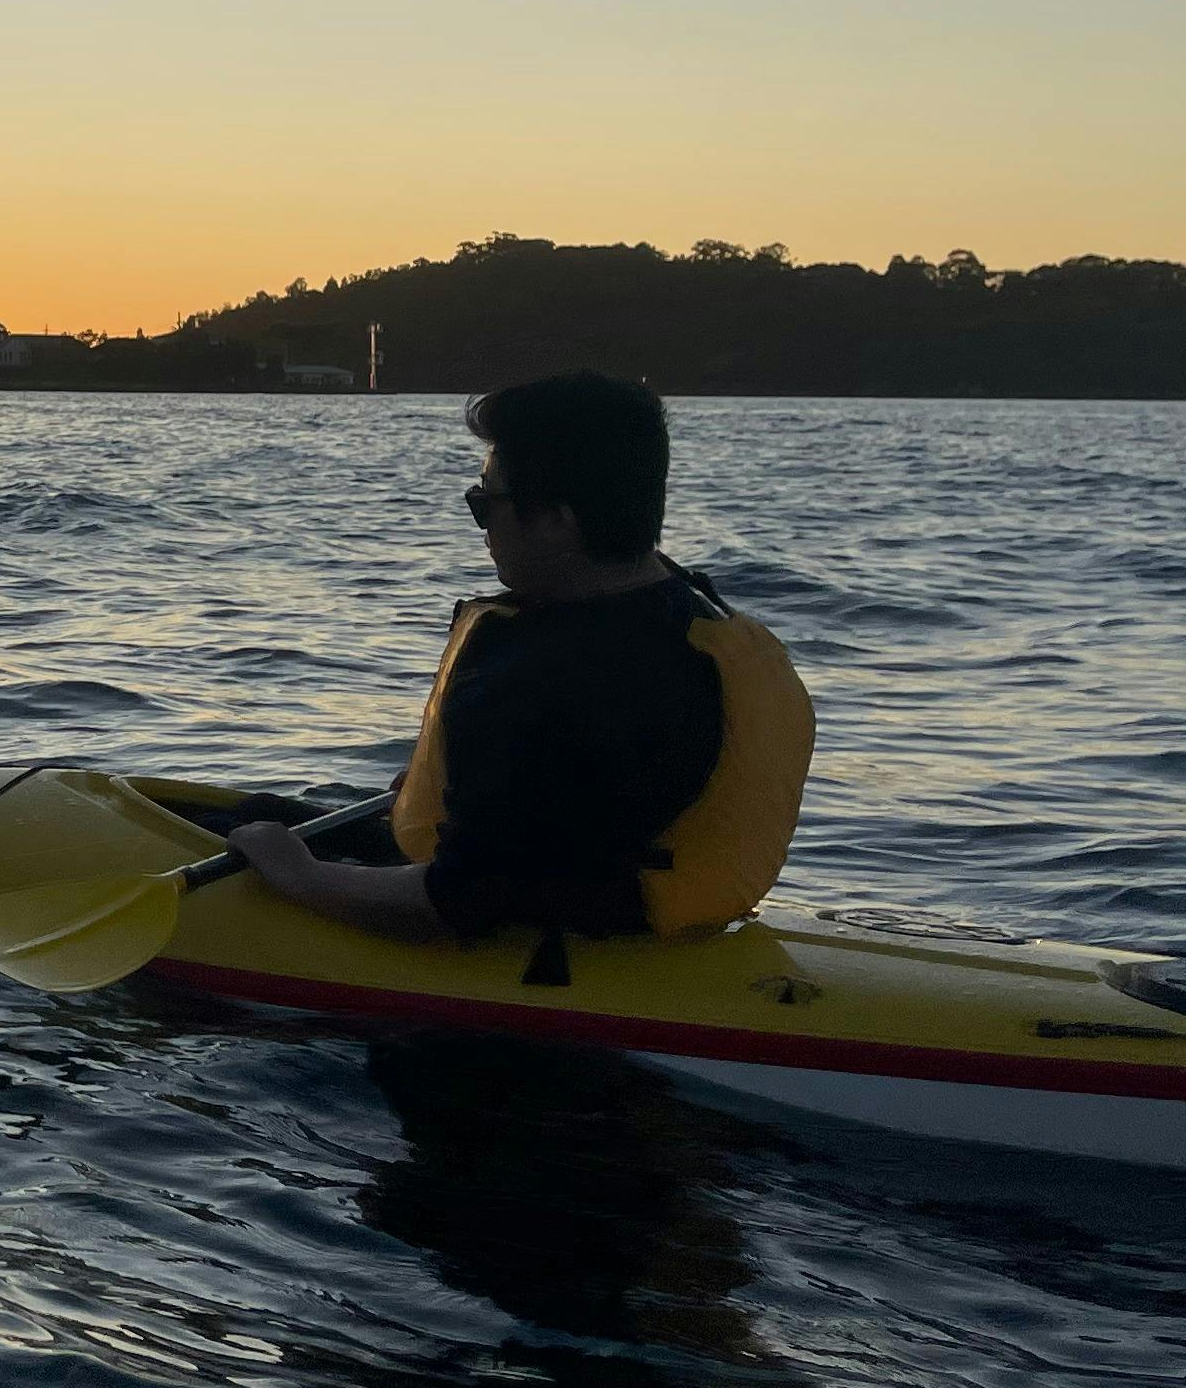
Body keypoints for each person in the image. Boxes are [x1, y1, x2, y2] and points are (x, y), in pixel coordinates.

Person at [223, 372, 811, 965]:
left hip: (562, 934)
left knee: (256, 836)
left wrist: (296, 875)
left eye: (485, 504)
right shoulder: (694, 612)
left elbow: (451, 903)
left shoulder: (542, 681)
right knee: (257, 816)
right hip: (647, 901)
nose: (482, 526)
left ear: (559, 519)